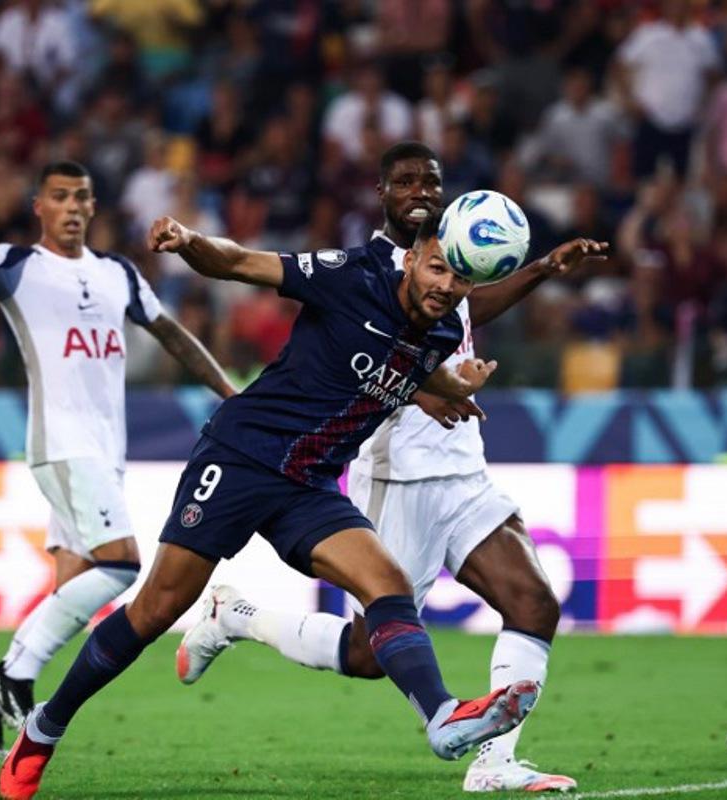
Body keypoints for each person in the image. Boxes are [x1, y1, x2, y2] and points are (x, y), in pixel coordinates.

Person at [0, 209, 538, 800]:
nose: (446, 287)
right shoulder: (351, 276)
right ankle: (44, 728)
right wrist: (189, 243)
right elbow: (237, 262)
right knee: (155, 609)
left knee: (388, 586)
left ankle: (442, 718)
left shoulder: (437, 334)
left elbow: (407, 371)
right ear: (410, 258)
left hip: (307, 485)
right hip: (240, 458)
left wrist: (448, 389)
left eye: (460, 280)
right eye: (436, 268)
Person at [176, 141, 607, 793]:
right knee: (368, 653)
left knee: (535, 602)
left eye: (430, 182)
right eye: (405, 182)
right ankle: (237, 618)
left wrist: (543, 266)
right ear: (382, 192)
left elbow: (470, 309)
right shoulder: (365, 268)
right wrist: (427, 391)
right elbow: (361, 362)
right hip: (395, 472)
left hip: (463, 472)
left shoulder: (452, 262)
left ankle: (493, 763)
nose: (420, 192)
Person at [0, 119, 236, 759]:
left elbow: (171, 333)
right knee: (122, 562)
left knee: (71, 588)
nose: (73, 209)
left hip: (105, 450)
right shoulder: (19, 266)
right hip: (61, 444)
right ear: (39, 206)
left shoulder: (118, 275)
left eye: (83, 198)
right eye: (61, 198)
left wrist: (230, 393)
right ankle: (14, 675)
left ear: (94, 207)